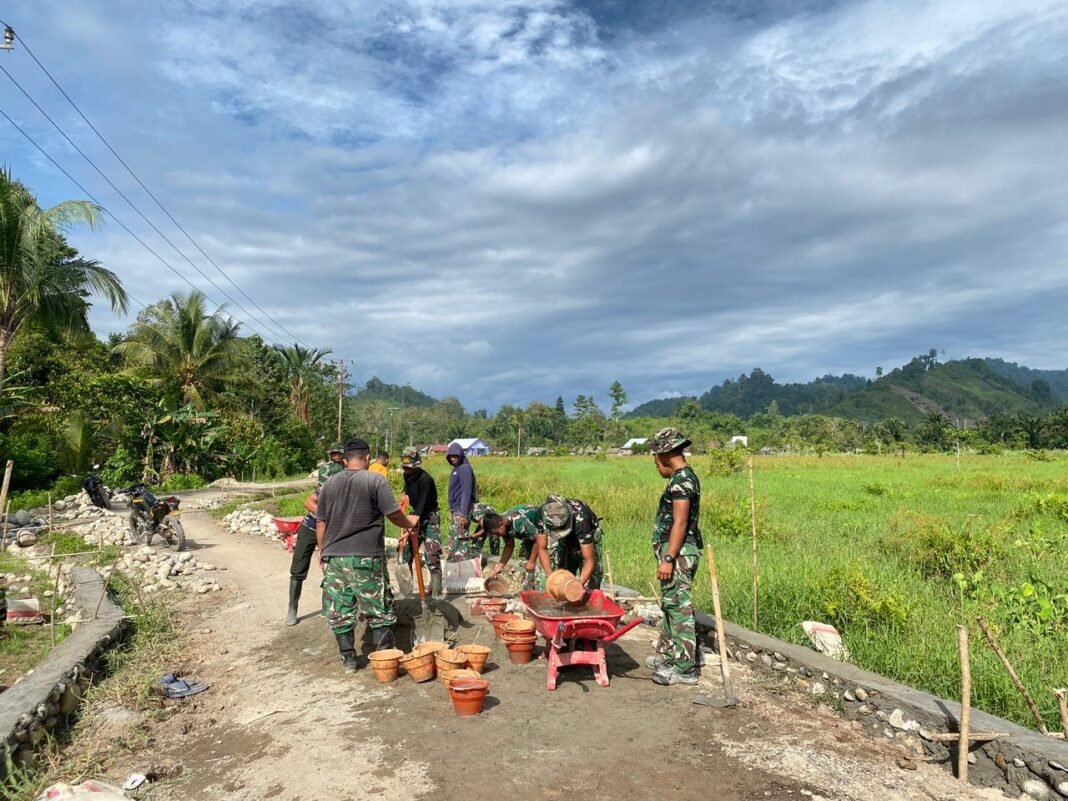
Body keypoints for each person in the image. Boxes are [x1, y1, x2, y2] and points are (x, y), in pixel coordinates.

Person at [315, 438, 418, 673]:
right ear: (368, 458)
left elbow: (321, 522)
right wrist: (409, 522)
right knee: (378, 609)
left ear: (344, 459)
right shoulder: (374, 480)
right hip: (366, 556)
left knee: (340, 610)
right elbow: (393, 514)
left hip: (335, 557)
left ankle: (349, 660)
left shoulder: (329, 483)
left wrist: (322, 551)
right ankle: (384, 661)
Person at [645, 427, 703, 686]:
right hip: (674, 552)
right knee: (670, 605)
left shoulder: (682, 481)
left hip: (678, 554)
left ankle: (685, 667)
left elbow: (680, 523)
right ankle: (669, 656)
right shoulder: (681, 478)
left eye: (656, 458)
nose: (656, 464)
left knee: (679, 608)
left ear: (665, 454)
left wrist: (668, 558)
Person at [285, 442, 345, 626]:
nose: (336, 456)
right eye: (334, 454)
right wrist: (325, 515)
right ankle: (292, 609)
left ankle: (327, 607)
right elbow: (308, 503)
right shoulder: (325, 481)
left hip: (331, 532)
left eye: (339, 454)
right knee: (298, 568)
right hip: (310, 528)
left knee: (330, 567)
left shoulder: (345, 483)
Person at [398, 446, 444, 597]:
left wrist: (410, 527)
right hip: (415, 514)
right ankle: (407, 594)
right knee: (406, 555)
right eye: (405, 468)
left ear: (417, 465)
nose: (407, 471)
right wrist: (404, 495)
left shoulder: (426, 480)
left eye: (410, 468)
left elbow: (422, 505)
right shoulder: (407, 476)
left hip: (429, 517)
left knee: (432, 556)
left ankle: (436, 595)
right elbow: (407, 490)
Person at [535, 495, 603, 589]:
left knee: (592, 578)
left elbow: (589, 559)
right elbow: (542, 548)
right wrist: (550, 576)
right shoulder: (542, 515)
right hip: (564, 540)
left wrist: (578, 585)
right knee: (562, 571)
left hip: (588, 535)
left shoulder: (581, 519)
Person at [482, 504, 542, 586]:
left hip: (546, 530)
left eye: (497, 533)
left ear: (501, 524)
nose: (497, 536)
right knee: (524, 562)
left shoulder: (518, 522)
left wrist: (532, 561)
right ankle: (528, 588)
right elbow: (509, 545)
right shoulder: (503, 526)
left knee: (545, 561)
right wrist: (500, 566)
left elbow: (538, 539)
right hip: (530, 535)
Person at [446, 442, 478, 557]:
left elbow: (466, 491)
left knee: (461, 541)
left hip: (461, 510)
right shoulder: (457, 468)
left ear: (460, 455)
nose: (453, 459)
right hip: (456, 510)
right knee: (454, 540)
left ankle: (462, 564)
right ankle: (453, 562)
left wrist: (463, 514)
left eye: (455, 456)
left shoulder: (464, 468)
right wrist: (452, 510)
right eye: (451, 457)